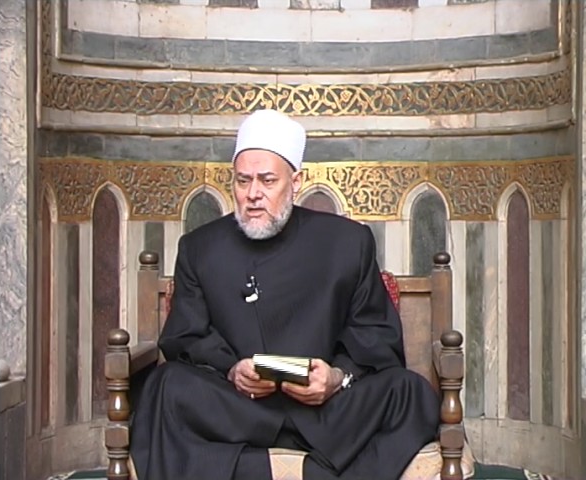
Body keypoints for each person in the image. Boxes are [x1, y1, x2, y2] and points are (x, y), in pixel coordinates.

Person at [130, 109, 440, 480]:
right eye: (243, 181)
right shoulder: (200, 248)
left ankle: (271, 471)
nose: (253, 194)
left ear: (296, 181)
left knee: (411, 393)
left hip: (327, 413)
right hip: (239, 409)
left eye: (267, 181)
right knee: (164, 386)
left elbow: (375, 336)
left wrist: (336, 378)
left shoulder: (347, 242)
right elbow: (185, 336)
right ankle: (297, 472)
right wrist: (232, 370)